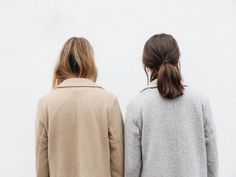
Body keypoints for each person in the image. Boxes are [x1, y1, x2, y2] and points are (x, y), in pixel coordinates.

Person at [125, 33, 218, 177]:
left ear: (147, 65)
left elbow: (132, 168)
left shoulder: (137, 105)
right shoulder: (200, 101)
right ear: (177, 60)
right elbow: (212, 161)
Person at [35, 37, 124, 177]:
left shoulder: (45, 104)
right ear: (90, 61)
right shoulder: (108, 101)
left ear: (63, 62)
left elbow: (42, 162)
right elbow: (117, 160)